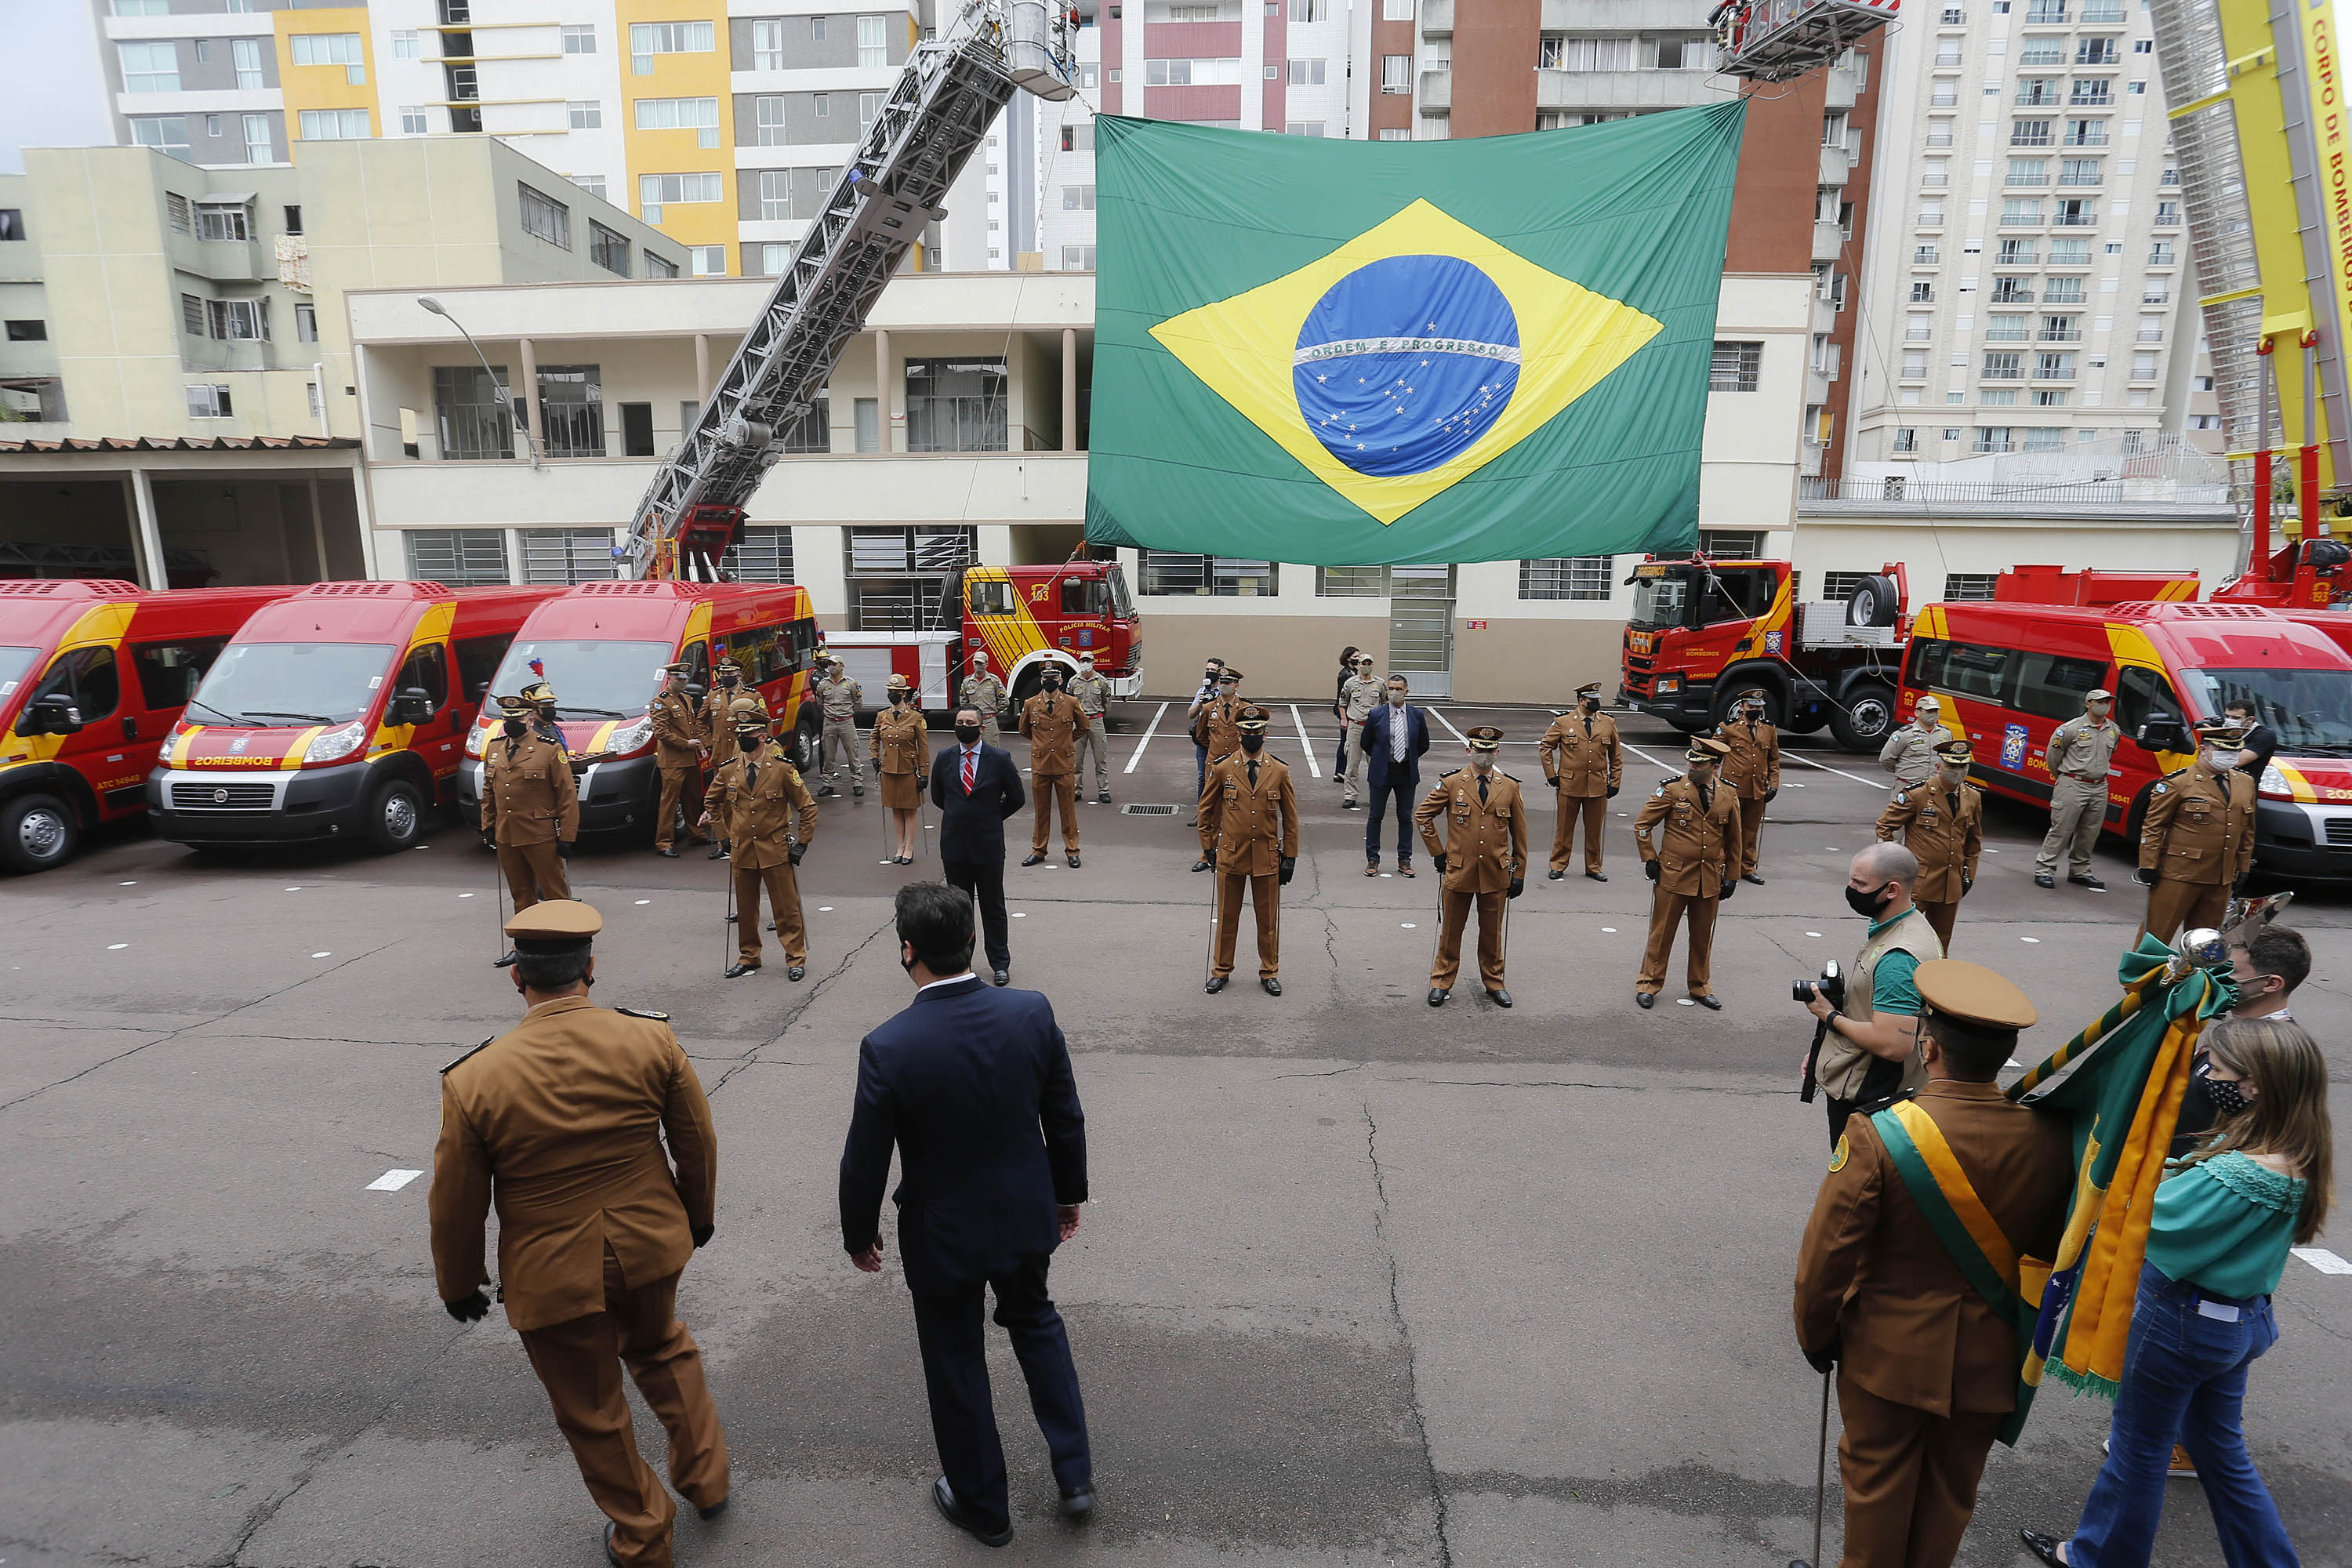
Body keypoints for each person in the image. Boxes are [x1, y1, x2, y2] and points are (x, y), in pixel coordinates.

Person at [430, 899, 728, 1566]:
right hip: (652, 1243)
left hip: (553, 1269)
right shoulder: (650, 1039)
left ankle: (644, 1535)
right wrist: (697, 1214)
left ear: (517, 977)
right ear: (590, 968)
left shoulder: (474, 1079)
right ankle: (707, 1479)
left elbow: (456, 1201)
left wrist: (459, 1281)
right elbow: (697, 1140)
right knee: (664, 1348)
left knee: (592, 1409)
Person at [2021, 1018, 2334, 1568]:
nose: (2208, 1078)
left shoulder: (2242, 1173)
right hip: (2239, 1321)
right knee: (2221, 1450)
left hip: (2183, 1324)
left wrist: (2113, 1158)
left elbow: (2146, 1218)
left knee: (2138, 1449)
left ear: (2255, 1084)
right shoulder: (2295, 1154)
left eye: (2219, 1070)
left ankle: (2100, 1559)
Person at [838, 883, 1093, 1548]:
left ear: (907, 951)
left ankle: (983, 1504)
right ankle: (1075, 1475)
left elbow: (866, 1156)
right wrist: (1066, 1194)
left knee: (955, 1357)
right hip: (1023, 1212)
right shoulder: (1030, 1012)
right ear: (973, 941)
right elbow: (1063, 1116)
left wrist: (858, 1233)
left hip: (942, 1230)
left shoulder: (889, 1045)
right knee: (1036, 1323)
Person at [1796, 960, 2072, 1568]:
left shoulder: (1878, 1133)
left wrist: (1816, 1336)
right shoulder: (2056, 1139)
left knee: (1876, 1506)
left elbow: (1827, 1257)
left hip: (1887, 1358)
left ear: (1929, 1046)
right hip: (1989, 1360)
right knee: (1948, 1503)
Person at [1804, 841, 1946, 1144]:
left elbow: (1893, 1043)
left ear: (1891, 890)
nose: (1851, 889)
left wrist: (1829, 1016)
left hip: (1870, 1095)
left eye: (1860, 884)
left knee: (1855, 1172)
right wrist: (1824, 1052)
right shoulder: (1911, 924)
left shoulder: (1898, 957)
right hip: (1880, 1086)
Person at [1415, 726, 1527, 1008]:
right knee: (1451, 931)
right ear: (1469, 751)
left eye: (1489, 751)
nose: (1484, 755)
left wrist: (1519, 873)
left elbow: (1520, 835)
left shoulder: (1509, 787)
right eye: (1478, 750)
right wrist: (1438, 853)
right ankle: (1441, 982)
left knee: (1492, 933)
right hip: (1459, 870)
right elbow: (1423, 816)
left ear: (1497, 753)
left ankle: (1495, 982)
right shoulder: (1452, 782)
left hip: (1495, 872)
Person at [701, 710, 818, 981]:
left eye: (748, 734)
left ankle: (795, 957)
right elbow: (711, 802)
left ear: (762, 737)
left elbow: (808, 807)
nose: (742, 738)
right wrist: (724, 836)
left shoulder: (782, 769)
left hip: (775, 848)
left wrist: (803, 843)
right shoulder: (729, 769)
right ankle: (749, 956)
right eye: (739, 734)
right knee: (746, 909)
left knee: (786, 908)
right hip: (742, 849)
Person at [1198, 706, 1299, 996]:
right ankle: (1221, 970)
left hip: (1266, 856)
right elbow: (1206, 811)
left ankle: (1269, 971)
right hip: (1231, 854)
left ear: (1265, 735)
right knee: (1226, 918)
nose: (1251, 737)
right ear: (1239, 735)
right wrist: (1209, 847)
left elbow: (1290, 818)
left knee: (1267, 921)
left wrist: (1290, 856)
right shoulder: (1223, 768)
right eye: (1246, 733)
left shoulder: (1279, 771)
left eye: (1257, 732)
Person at [1632, 735, 1737, 1011]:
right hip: (1673, 875)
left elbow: (1734, 839)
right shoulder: (1672, 790)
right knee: (1661, 934)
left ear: (1715, 767)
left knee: (1702, 938)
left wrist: (1732, 874)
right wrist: (1650, 858)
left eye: (1700, 764)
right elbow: (1642, 825)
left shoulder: (1728, 794)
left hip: (1709, 877)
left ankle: (1700, 986)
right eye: (1691, 762)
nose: (1693, 767)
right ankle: (1648, 984)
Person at [2136, 718, 2258, 946]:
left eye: (2235, 752)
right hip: (2180, 873)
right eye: (2223, 751)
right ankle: (2144, 971)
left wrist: (2243, 867)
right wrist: (2148, 865)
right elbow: (2154, 826)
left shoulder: (2245, 782)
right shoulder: (2179, 782)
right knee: (2157, 935)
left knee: (2205, 942)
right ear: (2204, 750)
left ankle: (2193, 971)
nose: (2230, 757)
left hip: (2221, 876)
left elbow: (2247, 829)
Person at [930, 706, 1025, 986]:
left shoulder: (999, 759)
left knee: (992, 906)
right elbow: (938, 796)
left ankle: (999, 963)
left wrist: (991, 817)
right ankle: (962, 964)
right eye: (959, 722)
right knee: (959, 909)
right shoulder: (945, 758)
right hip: (955, 845)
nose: (963, 726)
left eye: (969, 722)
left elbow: (1017, 797)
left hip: (988, 845)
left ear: (981, 728)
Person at [481, 693, 579, 967]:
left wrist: (567, 836)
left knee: (555, 893)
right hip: (507, 834)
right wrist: (488, 825)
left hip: (540, 834)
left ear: (531, 718)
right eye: (507, 719)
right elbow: (489, 791)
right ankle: (525, 947)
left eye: (518, 718)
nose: (511, 723)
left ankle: (567, 946)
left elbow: (567, 796)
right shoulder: (495, 748)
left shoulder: (548, 749)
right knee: (521, 895)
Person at [1875, 738, 1982, 951]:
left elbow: (1973, 841)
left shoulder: (1972, 797)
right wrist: (1892, 869)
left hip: (1951, 883)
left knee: (1940, 942)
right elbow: (1885, 825)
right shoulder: (1918, 794)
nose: (1958, 772)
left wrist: (1968, 874)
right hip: (1918, 881)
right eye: (1952, 766)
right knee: (1900, 937)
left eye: (1963, 767)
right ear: (1938, 767)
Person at [2034, 687, 2122, 890]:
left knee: (2090, 831)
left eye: (2107, 702)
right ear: (2088, 704)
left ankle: (2080, 871)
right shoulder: (2070, 729)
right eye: (2099, 702)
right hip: (2073, 783)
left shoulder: (2113, 730)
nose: (2104, 706)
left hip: (2099, 786)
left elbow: (2110, 754)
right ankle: (2044, 870)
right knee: (2062, 829)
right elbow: (2053, 757)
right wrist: (2065, 778)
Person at [1539, 681, 1623, 882]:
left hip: (1597, 785)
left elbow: (1616, 755)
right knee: (1564, 829)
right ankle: (1558, 865)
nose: (1596, 703)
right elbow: (1545, 747)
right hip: (1570, 784)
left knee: (1594, 830)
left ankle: (1594, 866)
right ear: (1581, 701)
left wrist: (1615, 781)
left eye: (1597, 699)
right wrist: (1551, 775)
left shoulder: (1608, 722)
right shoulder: (1563, 721)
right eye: (1592, 700)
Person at [1018, 662, 1091, 869]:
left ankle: (1072, 850)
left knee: (1068, 812)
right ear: (1041, 680)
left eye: (1053, 678)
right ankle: (1038, 850)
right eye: (1046, 678)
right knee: (1041, 811)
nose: (1049, 681)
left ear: (1060, 680)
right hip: (1041, 765)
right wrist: (1040, 744)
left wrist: (1066, 741)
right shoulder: (1031, 703)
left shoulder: (1070, 702)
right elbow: (1023, 729)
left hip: (1063, 764)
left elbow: (1084, 726)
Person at [1359, 673, 1430, 877]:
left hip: (1406, 772)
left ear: (1406, 692)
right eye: (1391, 689)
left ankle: (1404, 860)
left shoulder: (1416, 715)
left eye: (1398, 689)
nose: (1394, 692)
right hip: (1382, 771)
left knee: (1405, 817)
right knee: (1376, 816)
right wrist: (1381, 757)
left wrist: (1408, 757)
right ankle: (1373, 859)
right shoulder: (1377, 714)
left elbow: (1423, 743)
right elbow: (1366, 742)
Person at [697, 660, 767, 860]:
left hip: (745, 754)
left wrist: (761, 749)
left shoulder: (752, 696)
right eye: (723, 674)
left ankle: (750, 840)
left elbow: (764, 723)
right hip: (721, 755)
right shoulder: (714, 695)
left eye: (730, 674)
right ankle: (724, 842)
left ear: (739, 675)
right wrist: (709, 743)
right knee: (722, 801)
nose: (725, 677)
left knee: (747, 798)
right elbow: (700, 721)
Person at [1715, 693, 1780, 884]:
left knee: (1750, 832)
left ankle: (1747, 868)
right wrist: (1714, 784)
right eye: (1751, 707)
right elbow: (1713, 755)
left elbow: (1773, 759)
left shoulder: (1768, 728)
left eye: (1758, 707)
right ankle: (1722, 866)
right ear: (1742, 707)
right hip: (1733, 789)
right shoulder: (1728, 727)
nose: (1755, 711)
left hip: (1757, 789)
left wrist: (1774, 784)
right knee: (1727, 830)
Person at [648, 662, 707, 858]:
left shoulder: (686, 698)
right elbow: (661, 733)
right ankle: (664, 842)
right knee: (669, 803)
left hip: (690, 758)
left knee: (693, 798)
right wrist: (686, 744)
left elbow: (691, 726)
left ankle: (696, 834)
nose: (682, 682)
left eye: (684, 679)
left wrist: (700, 746)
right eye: (678, 679)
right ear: (669, 679)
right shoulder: (660, 702)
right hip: (673, 761)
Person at [871, 672, 931, 864]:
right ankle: (900, 846)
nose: (892, 695)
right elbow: (874, 738)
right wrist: (874, 757)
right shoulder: (882, 716)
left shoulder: (915, 718)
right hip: (889, 769)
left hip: (908, 769)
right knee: (895, 808)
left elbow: (923, 747)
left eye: (896, 692)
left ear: (904, 694)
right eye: (890, 691)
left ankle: (910, 846)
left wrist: (924, 773)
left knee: (910, 809)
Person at [1336, 652, 1385, 810]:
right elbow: (1342, 703)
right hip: (1355, 727)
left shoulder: (1380, 683)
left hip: (1374, 728)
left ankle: (1376, 796)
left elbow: (1386, 703)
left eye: (1369, 664)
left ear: (1372, 665)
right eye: (1364, 663)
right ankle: (1350, 796)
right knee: (1352, 764)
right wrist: (1344, 719)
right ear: (1359, 665)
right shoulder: (1350, 683)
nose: (1366, 666)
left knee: (1375, 764)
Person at [1067, 652, 1115, 804]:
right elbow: (1068, 702)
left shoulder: (1101, 681)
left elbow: (1107, 702)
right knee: (1076, 759)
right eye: (1083, 661)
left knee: (1101, 759)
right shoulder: (1073, 681)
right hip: (1079, 723)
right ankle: (1076, 790)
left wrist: (1099, 716)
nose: (1085, 664)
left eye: (1088, 661)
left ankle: (1103, 790)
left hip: (1096, 721)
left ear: (1093, 663)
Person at [813, 655, 864, 798]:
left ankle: (857, 783)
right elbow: (820, 702)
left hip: (846, 722)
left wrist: (847, 714)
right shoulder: (823, 684)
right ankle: (828, 784)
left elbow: (858, 703)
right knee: (828, 754)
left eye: (834, 664)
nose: (831, 667)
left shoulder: (851, 684)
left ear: (842, 666)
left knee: (852, 753)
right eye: (829, 664)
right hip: (829, 722)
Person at [1880, 695, 1948, 789]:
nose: (1933, 714)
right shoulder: (1904, 734)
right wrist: (1904, 772)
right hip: (1908, 785)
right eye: (1929, 711)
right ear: (1917, 713)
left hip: (1934, 787)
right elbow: (1886, 759)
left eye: (1935, 711)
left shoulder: (1945, 733)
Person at [1188, 656, 1226, 803]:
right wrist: (1200, 704)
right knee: (1202, 777)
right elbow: (1190, 714)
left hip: (1220, 741)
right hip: (1203, 741)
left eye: (1213, 670)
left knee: (1221, 776)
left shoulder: (1226, 692)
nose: (1209, 672)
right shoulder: (1202, 691)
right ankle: (1202, 810)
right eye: (1207, 669)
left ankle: (1221, 809)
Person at [2224, 696, 2278, 781]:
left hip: (2243, 786)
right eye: (2227, 716)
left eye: (2236, 718)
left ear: (2250, 719)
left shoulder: (2264, 735)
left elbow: (2236, 762)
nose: (2229, 721)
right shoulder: (2224, 731)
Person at [957, 651, 1007, 733]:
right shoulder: (967, 682)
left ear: (986, 664)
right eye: (976, 663)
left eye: (981, 663)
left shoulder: (994, 681)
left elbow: (1004, 701)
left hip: (989, 721)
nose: (978, 666)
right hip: (973, 721)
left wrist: (992, 710)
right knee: (971, 741)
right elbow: (964, 702)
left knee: (991, 741)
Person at [1330, 645, 1360, 779]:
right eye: (1355, 657)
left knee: (1349, 742)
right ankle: (1340, 772)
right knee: (1345, 742)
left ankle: (1343, 770)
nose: (1358, 659)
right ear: (1348, 658)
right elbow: (1342, 698)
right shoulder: (1345, 675)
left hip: (1351, 711)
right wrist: (1343, 718)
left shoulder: (1354, 672)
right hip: (1346, 712)